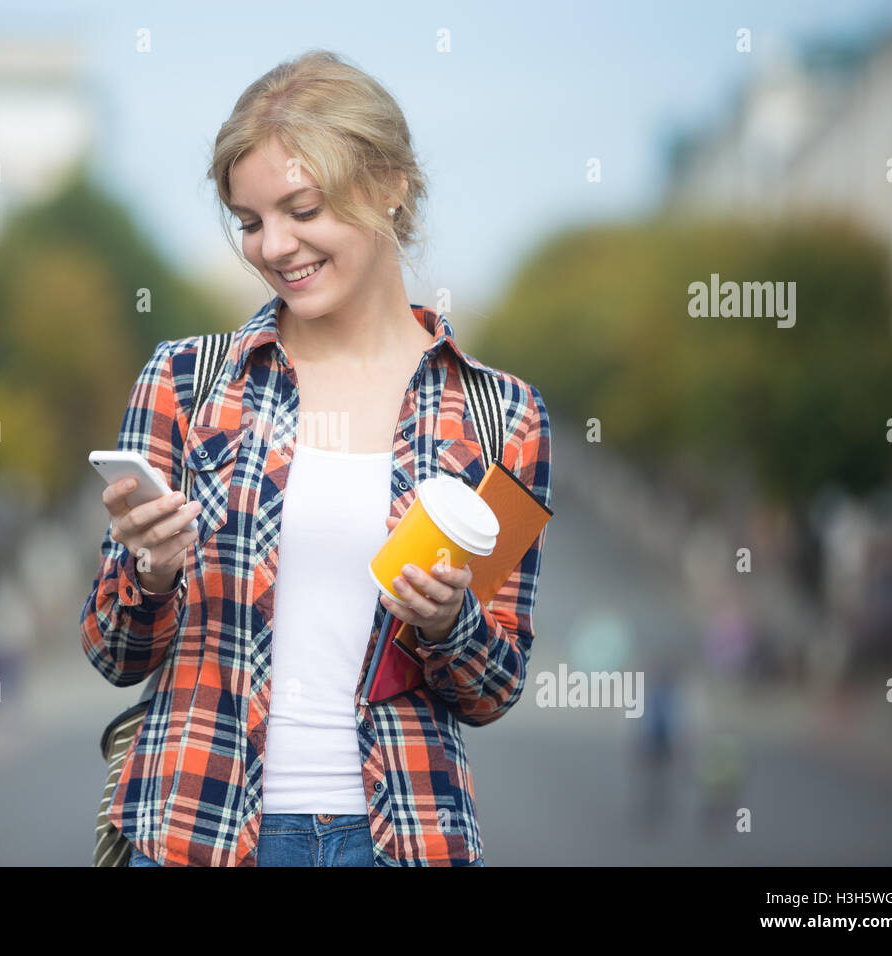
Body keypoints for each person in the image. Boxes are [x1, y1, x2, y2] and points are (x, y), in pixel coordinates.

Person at [80, 49, 552, 866]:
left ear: (391, 184)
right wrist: (149, 572)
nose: (274, 246)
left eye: (302, 208)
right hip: (195, 830)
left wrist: (447, 622)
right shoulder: (187, 383)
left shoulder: (501, 415)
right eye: (251, 220)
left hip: (402, 838)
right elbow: (113, 651)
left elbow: (494, 687)